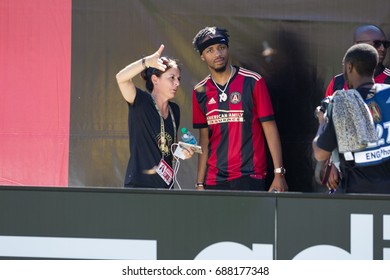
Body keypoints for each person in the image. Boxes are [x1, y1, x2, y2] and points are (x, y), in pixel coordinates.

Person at [191, 26, 288, 192]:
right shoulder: (199, 91)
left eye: (221, 48)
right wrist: (200, 183)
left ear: (227, 49)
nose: (218, 54)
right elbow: (204, 140)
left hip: (249, 175)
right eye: (210, 50)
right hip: (214, 180)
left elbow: (270, 128)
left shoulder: (253, 81)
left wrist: (279, 174)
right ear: (202, 56)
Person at [313, 43, 390, 194]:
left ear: (349, 67)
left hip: (357, 197)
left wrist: (322, 121)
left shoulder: (344, 103)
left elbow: (320, 153)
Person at [116, 44, 193, 189]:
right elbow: (121, 78)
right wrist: (146, 62)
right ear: (155, 80)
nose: (177, 83)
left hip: (166, 188)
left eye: (178, 79)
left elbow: (167, 150)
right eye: (171, 78)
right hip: (139, 186)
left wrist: (183, 153)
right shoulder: (141, 101)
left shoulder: (174, 110)